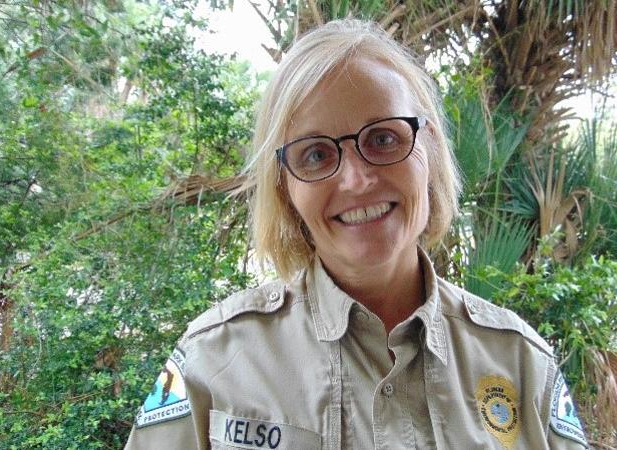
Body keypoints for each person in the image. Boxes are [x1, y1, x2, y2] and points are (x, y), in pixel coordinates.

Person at [125, 18, 589, 450]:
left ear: (428, 149)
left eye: (383, 139)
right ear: (285, 188)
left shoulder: (521, 362)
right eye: (315, 155)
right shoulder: (214, 361)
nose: (356, 180)